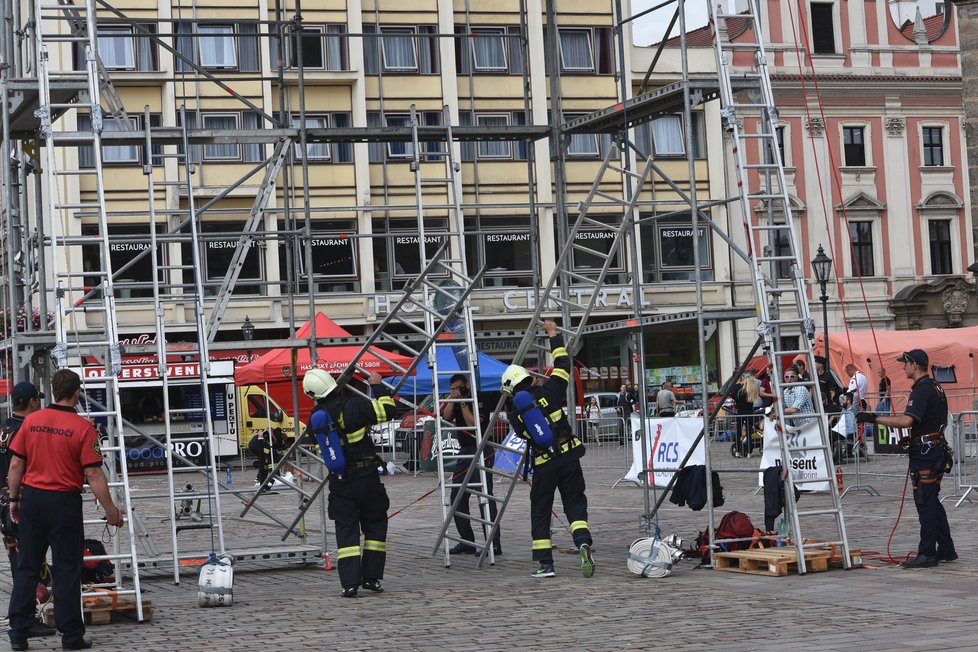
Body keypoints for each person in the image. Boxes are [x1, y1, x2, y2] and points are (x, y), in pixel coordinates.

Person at [6, 369, 125, 651]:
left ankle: (19, 633)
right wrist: (110, 510)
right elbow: (94, 474)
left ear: (54, 390)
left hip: (33, 500)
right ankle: (71, 636)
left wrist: (14, 499)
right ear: (76, 393)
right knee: (67, 568)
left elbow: (15, 465)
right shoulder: (83, 429)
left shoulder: (32, 421)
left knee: (27, 568)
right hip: (64, 503)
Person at [501, 319, 594, 579]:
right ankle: (582, 540)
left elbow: (524, 435)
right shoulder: (550, 390)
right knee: (575, 503)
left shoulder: (515, 413)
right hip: (569, 456)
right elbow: (564, 365)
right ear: (528, 378)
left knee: (541, 510)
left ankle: (546, 564)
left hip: (544, 465)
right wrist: (553, 335)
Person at [856, 349, 955, 569]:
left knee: (925, 503)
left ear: (915, 365)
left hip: (926, 455)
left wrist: (874, 417)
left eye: (905, 364)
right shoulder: (935, 386)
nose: (903, 367)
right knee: (933, 501)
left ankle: (927, 552)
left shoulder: (922, 390)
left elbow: (907, 421)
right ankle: (946, 548)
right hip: (934, 449)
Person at [303, 368, 397, 597]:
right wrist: (377, 385)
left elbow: (315, 444)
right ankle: (372, 578)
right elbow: (388, 410)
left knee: (347, 533)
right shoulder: (355, 405)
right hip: (366, 478)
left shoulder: (316, 417)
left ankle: (349, 584)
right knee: (375, 524)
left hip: (340, 482)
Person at [0, 383, 55, 640]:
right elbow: (21, 466)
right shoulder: (28, 430)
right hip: (20, 502)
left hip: (3, 501)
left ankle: (24, 616)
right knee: (28, 563)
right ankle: (22, 619)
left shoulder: (4, 428)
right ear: (32, 402)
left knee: (17, 558)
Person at [442, 373, 501, 556]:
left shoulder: (480, 398)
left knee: (484, 495)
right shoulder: (457, 398)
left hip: (481, 448)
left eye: (458, 387)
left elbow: (472, 423)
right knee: (457, 496)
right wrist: (452, 399)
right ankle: (467, 541)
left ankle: (494, 543)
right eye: (453, 388)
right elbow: (446, 417)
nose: (456, 391)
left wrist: (463, 402)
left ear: (466, 385)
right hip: (464, 451)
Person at [732, 373, 760, 457]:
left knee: (739, 432)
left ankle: (737, 450)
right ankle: (749, 452)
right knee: (749, 433)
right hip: (749, 413)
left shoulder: (738, 388)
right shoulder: (752, 390)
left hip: (740, 412)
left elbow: (733, 396)